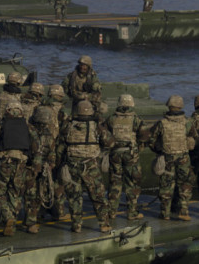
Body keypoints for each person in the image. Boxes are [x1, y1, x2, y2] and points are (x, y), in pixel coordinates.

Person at [56, 100, 115, 233]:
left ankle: (76, 225)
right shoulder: (97, 126)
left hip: (72, 165)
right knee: (98, 195)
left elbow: (60, 146)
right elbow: (110, 142)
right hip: (90, 165)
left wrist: (60, 164)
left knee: (74, 197)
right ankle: (104, 223)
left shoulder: (68, 125)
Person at [0, 101, 38, 236]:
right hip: (21, 164)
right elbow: (37, 148)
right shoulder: (29, 127)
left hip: (4, 163)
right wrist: (35, 166)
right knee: (15, 194)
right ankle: (12, 223)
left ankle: (8, 218)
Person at [149, 95, 197, 221]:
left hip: (167, 157)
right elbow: (194, 138)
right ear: (180, 106)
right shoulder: (187, 122)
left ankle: (165, 213)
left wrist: (159, 151)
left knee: (166, 185)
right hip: (183, 158)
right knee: (185, 184)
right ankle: (184, 211)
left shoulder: (161, 123)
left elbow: (151, 140)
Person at [105, 94, 146, 220]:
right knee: (131, 182)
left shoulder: (111, 119)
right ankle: (132, 212)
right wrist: (139, 147)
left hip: (115, 153)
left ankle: (111, 211)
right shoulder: (136, 119)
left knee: (115, 182)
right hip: (130, 154)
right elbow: (144, 135)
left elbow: (104, 134)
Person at [24, 106, 58, 234]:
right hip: (34, 167)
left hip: (36, 168)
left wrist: (50, 163)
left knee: (35, 195)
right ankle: (31, 221)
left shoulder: (34, 131)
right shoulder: (35, 131)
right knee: (34, 195)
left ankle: (33, 218)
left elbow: (51, 151)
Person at [42, 84, 70, 220]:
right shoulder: (63, 112)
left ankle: (41, 211)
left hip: (42, 148)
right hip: (58, 149)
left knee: (42, 179)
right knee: (59, 182)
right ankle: (58, 212)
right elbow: (67, 132)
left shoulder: (41, 109)